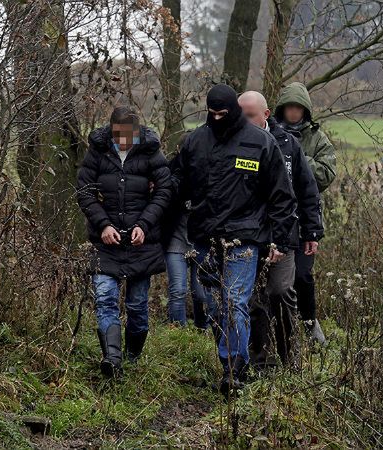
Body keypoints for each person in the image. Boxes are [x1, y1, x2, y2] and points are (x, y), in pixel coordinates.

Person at [171, 84, 297, 394]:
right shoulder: (195, 142)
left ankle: (235, 371)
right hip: (203, 238)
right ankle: (231, 354)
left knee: (234, 302)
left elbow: (282, 196)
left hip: (244, 239)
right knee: (208, 303)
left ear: (234, 112)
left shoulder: (261, 143)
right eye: (211, 114)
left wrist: (279, 240)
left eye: (222, 114)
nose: (217, 119)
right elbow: (175, 182)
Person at [77, 106, 171, 377]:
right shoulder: (97, 151)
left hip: (142, 242)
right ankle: (112, 359)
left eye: (129, 136)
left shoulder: (151, 152)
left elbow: (164, 191)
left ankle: (132, 357)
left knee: (137, 305)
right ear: (111, 131)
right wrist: (103, 224)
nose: (124, 141)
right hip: (105, 242)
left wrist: (144, 224)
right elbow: (84, 191)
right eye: (119, 135)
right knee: (105, 298)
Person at [239, 91, 324, 368]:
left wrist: (311, 231)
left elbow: (307, 189)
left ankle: (290, 358)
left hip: (284, 232)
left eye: (249, 115)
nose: (243, 120)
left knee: (280, 290)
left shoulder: (288, 143)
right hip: (247, 233)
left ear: (265, 115)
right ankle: (260, 361)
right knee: (254, 298)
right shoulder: (233, 141)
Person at [274, 82, 336, 344]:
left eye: (298, 108)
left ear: (306, 110)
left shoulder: (318, 139)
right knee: (277, 281)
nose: (293, 113)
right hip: (276, 216)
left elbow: (326, 174)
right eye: (289, 107)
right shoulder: (270, 133)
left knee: (302, 275)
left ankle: (310, 323)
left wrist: (296, 159)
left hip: (306, 215)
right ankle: (279, 327)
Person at [162, 134, 217, 329]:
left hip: (201, 241)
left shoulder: (212, 173)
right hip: (175, 241)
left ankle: (203, 328)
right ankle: (179, 332)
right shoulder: (171, 173)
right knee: (177, 290)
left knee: (201, 292)